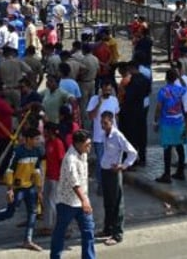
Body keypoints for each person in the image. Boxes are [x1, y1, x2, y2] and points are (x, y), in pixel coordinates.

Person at [0, 126, 45, 251]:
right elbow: (9, 170)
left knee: (32, 212)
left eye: (38, 139)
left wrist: (39, 188)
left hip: (30, 187)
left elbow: (37, 170)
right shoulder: (18, 152)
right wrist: (10, 189)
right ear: (28, 139)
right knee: (10, 212)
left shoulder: (37, 151)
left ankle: (28, 240)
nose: (38, 141)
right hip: (18, 188)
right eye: (36, 139)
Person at [50, 129, 95, 259]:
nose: (89, 147)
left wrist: (84, 200)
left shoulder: (83, 153)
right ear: (78, 144)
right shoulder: (70, 159)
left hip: (82, 202)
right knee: (60, 232)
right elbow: (75, 183)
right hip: (67, 202)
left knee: (88, 231)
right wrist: (84, 201)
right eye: (87, 144)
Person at [97, 111, 137, 246]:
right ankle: (107, 229)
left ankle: (117, 234)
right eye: (102, 123)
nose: (103, 126)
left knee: (117, 203)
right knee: (107, 202)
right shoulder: (104, 135)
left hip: (114, 173)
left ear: (112, 122)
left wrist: (123, 166)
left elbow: (132, 152)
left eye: (106, 123)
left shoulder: (118, 135)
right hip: (105, 170)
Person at [153, 69, 187, 184]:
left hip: (167, 122)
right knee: (180, 147)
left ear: (166, 78)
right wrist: (180, 77)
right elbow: (185, 86)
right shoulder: (180, 90)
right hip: (179, 121)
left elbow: (158, 108)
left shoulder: (163, 91)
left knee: (167, 148)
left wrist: (155, 121)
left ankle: (167, 173)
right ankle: (181, 171)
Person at [85, 79, 119, 185]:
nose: (108, 93)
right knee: (101, 161)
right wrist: (99, 103)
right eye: (106, 90)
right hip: (99, 137)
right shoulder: (94, 99)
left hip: (113, 136)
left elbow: (116, 116)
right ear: (101, 90)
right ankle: (101, 184)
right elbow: (91, 116)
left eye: (110, 90)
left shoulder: (114, 100)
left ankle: (111, 182)